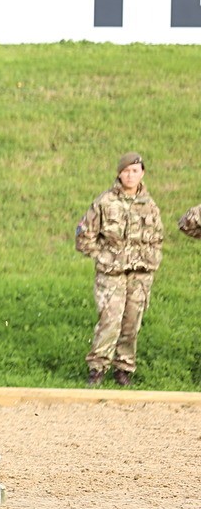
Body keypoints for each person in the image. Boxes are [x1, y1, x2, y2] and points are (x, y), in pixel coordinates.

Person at [75, 153, 164, 387]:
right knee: (109, 320)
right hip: (111, 274)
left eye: (135, 171)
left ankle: (123, 369)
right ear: (119, 173)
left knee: (131, 322)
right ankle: (97, 368)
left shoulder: (149, 205)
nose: (130, 175)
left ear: (142, 173)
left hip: (140, 274)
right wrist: (102, 256)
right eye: (126, 171)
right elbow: (85, 235)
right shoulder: (104, 202)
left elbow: (158, 237)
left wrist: (151, 259)